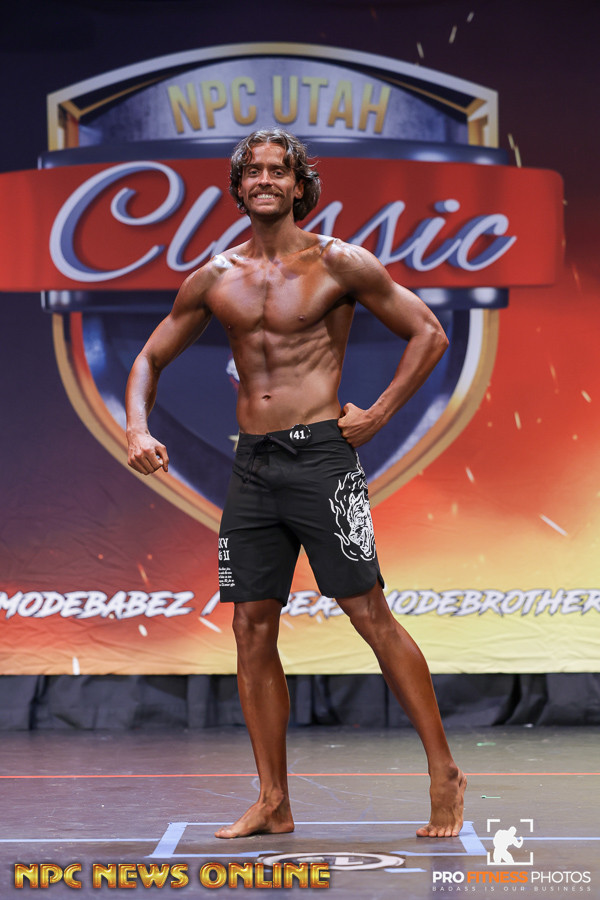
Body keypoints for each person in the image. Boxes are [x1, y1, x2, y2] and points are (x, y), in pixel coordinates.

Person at [126, 128, 466, 840]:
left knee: (369, 614)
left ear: (299, 185)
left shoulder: (339, 261)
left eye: (278, 170)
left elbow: (430, 332)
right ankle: (274, 800)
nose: (265, 180)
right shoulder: (214, 277)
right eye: (253, 171)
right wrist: (137, 428)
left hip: (322, 462)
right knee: (250, 626)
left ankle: (444, 772)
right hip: (253, 466)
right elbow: (149, 358)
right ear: (238, 187)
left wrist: (377, 414)